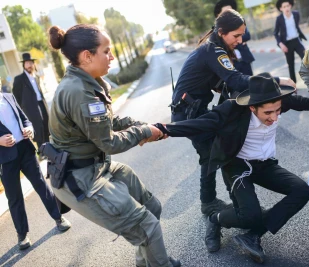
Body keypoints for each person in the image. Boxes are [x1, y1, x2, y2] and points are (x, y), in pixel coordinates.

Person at [47, 24, 180, 267]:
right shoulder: (78, 91)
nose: (112, 56)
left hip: (97, 167)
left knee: (152, 208)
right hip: (79, 178)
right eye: (106, 51)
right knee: (147, 227)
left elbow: (110, 122)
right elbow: (108, 141)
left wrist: (147, 126)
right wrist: (143, 132)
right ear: (87, 56)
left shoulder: (90, 82)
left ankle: (149, 261)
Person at [157, 76, 309, 263]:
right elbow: (203, 123)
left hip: (265, 165)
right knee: (250, 215)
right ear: (252, 107)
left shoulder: (276, 102)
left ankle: (253, 235)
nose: (274, 117)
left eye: (278, 111)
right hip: (237, 165)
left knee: (302, 191)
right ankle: (215, 219)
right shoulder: (233, 110)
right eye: (268, 113)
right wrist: (163, 129)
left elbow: (299, 101)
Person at [170, 9, 295, 216]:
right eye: (236, 35)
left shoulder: (213, 47)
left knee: (212, 155)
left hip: (193, 110)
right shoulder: (213, 50)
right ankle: (225, 210)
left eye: (241, 35)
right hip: (188, 114)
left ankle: (221, 205)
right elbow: (236, 80)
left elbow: (227, 83)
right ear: (221, 32)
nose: (239, 40)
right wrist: (276, 80)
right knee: (219, 155)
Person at [0, 81, 71, 250]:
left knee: (41, 185)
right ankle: (22, 235)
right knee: (14, 197)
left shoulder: (9, 97)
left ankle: (58, 218)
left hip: (25, 150)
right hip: (5, 159)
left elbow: (26, 120)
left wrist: (29, 129)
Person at [12, 52, 50, 157]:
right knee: (37, 128)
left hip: (41, 104)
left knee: (46, 124)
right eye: (27, 63)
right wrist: (21, 111)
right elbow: (16, 97)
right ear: (24, 65)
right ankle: (42, 152)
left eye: (31, 63)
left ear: (33, 64)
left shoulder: (36, 77)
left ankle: (49, 150)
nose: (29, 65)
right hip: (30, 108)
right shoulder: (19, 79)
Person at [214, 0, 255, 75]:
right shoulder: (217, 30)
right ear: (218, 15)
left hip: (244, 59)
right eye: (226, 11)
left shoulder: (240, 23)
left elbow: (247, 35)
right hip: (231, 62)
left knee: (251, 82)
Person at [274, 0, 307, 84]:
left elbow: (296, 27)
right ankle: (293, 85)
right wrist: (281, 44)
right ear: (281, 8)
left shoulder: (296, 14)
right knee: (291, 64)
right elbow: (275, 33)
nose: (286, 8)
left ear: (290, 6)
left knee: (306, 59)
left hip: (297, 40)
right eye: (284, 7)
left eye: (287, 6)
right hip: (287, 44)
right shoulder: (279, 19)